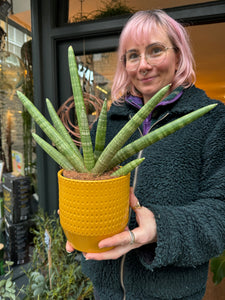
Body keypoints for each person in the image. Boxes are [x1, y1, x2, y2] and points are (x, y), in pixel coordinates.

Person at [66, 9, 225, 300]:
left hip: (172, 293)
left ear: (178, 55)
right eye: (132, 55)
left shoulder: (213, 121)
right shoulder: (109, 120)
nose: (143, 65)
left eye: (155, 50)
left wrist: (158, 229)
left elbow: (220, 214)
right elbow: (84, 183)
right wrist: (77, 216)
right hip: (106, 291)